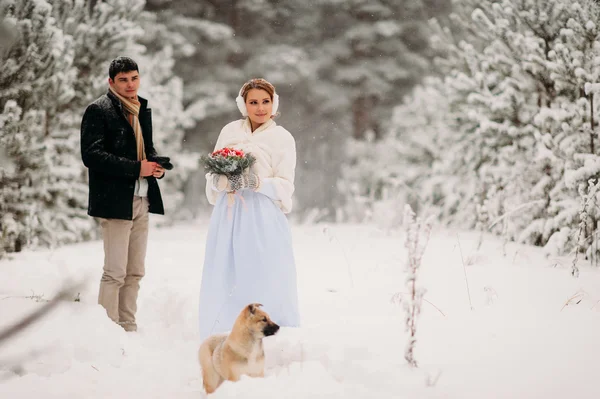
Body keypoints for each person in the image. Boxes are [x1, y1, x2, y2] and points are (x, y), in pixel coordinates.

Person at [198, 78, 300, 340]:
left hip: (262, 216)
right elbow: (212, 174)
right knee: (227, 271)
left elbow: (286, 185)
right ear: (243, 104)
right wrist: (221, 181)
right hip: (229, 213)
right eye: (253, 102)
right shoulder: (230, 131)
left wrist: (258, 183)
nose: (260, 108)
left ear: (274, 103)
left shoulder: (282, 138)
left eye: (265, 101)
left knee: (263, 271)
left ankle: (271, 333)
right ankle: (226, 332)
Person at [80, 56, 166, 332]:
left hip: (142, 197)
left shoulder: (141, 108)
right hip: (115, 201)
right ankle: (106, 331)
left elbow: (146, 149)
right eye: (123, 80)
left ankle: (128, 326)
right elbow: (92, 156)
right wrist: (136, 167)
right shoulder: (98, 110)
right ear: (111, 82)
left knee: (135, 271)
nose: (130, 85)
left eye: (134, 78)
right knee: (115, 272)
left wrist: (156, 167)